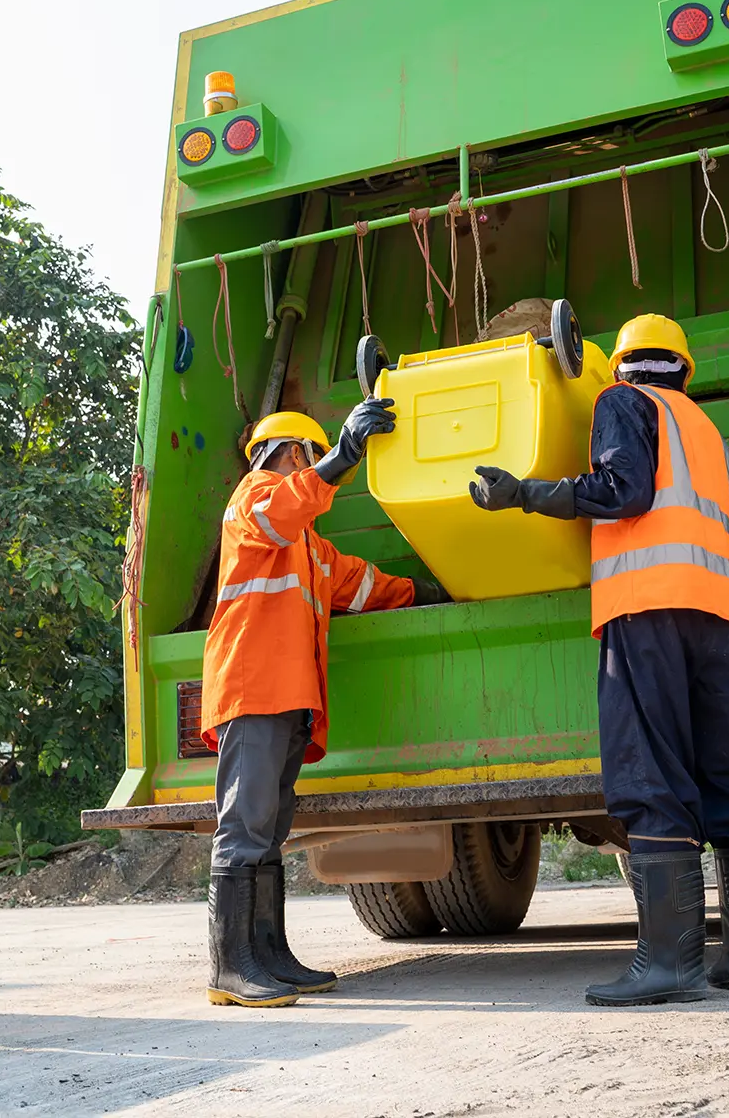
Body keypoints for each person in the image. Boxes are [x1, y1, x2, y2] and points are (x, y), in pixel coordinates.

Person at [468, 313, 729, 1006]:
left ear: (621, 366)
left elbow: (622, 492)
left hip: (648, 606)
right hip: (718, 615)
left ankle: (670, 963)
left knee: (652, 772)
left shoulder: (622, 402)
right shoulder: (710, 434)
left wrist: (525, 495)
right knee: (726, 774)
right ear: (685, 368)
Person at [200, 403, 448, 1007]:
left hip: (285, 697)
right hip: (254, 689)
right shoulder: (253, 500)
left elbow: (360, 584)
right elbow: (285, 510)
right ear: (294, 454)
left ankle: (268, 954)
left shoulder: (308, 548)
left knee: (270, 827)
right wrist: (343, 457)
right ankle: (231, 968)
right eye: (312, 458)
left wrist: (427, 591)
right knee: (246, 826)